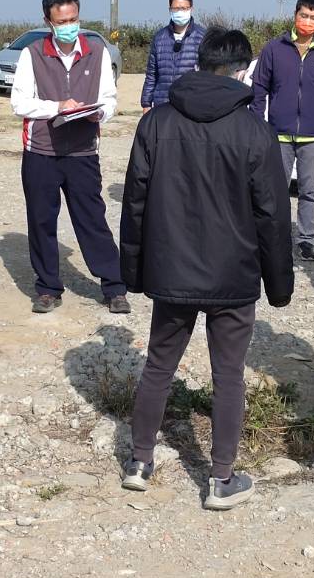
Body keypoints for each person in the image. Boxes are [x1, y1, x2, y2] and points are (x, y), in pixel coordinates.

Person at [119, 30, 294, 510]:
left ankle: (139, 462)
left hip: (171, 270)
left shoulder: (156, 122)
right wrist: (279, 284)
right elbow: (273, 215)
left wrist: (132, 270)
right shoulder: (254, 129)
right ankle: (220, 479)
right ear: (243, 69)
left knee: (158, 364)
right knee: (229, 374)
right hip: (233, 276)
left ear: (202, 63)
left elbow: (134, 200)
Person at [11, 0, 128, 315]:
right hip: (41, 151)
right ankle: (48, 288)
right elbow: (19, 102)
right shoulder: (32, 54)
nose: (69, 25)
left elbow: (109, 99)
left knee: (92, 220)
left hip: (82, 151)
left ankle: (113, 287)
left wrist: (98, 112)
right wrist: (57, 106)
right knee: (41, 220)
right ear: (48, 20)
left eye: (74, 19)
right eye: (62, 20)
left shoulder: (97, 51)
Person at [250, 0, 314, 262]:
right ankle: (274, 237)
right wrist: (259, 123)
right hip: (278, 133)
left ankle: (306, 240)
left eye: (313, 17)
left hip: (312, 135)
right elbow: (259, 88)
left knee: (308, 191)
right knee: (276, 189)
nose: (307, 21)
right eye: (303, 15)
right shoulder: (274, 48)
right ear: (295, 15)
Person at [140, 0, 207, 112]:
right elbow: (151, 74)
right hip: (163, 104)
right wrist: (146, 103)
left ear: (191, 9)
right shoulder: (159, 38)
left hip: (191, 105)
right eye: (176, 9)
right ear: (170, 10)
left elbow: (209, 75)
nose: (180, 12)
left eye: (184, 8)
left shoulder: (202, 37)